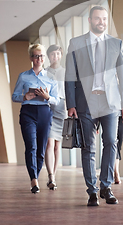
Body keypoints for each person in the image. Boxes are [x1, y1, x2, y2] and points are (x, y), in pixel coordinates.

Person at [65, 5, 123, 207]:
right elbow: (69, 76)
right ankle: (92, 191)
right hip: (86, 102)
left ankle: (106, 187)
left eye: (104, 19)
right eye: (97, 18)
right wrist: (71, 103)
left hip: (110, 102)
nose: (101, 22)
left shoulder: (116, 43)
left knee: (111, 142)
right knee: (88, 147)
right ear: (90, 21)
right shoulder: (76, 43)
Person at [12, 44, 59, 194]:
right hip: (28, 112)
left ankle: (36, 177)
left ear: (44, 58)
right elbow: (14, 96)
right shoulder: (23, 76)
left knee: (41, 149)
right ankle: (33, 179)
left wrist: (47, 97)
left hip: (45, 112)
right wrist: (24, 96)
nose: (39, 59)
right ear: (31, 58)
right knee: (31, 146)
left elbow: (56, 100)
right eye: (36, 56)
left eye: (41, 56)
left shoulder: (51, 77)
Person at [44, 44, 66, 190]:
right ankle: (50, 175)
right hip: (48, 107)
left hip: (62, 108)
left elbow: (70, 92)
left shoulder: (66, 72)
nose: (55, 57)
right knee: (49, 143)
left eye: (58, 54)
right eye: (52, 54)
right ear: (48, 56)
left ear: (61, 55)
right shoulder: (44, 73)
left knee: (58, 145)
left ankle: (54, 176)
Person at [114, 116, 123, 184]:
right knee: (113, 141)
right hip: (109, 112)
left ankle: (114, 170)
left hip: (121, 114)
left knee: (120, 138)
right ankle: (116, 172)